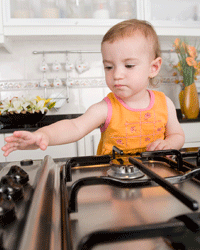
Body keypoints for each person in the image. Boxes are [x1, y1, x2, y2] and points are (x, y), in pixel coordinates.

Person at [2, 19, 185, 157]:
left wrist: (169, 143)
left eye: (129, 66)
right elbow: (74, 126)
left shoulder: (165, 104)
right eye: (109, 67)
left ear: (153, 68)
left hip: (157, 182)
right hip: (114, 185)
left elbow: (177, 134)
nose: (117, 75)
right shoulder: (106, 108)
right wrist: (43, 135)